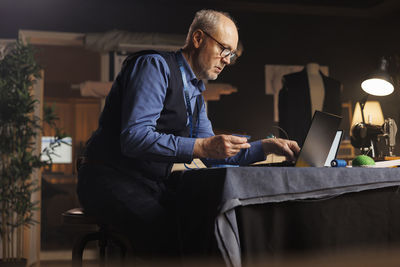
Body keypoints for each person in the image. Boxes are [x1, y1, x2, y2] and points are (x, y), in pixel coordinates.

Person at [77, 9, 300, 259]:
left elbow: (215, 156)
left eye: (232, 54)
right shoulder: (154, 66)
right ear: (197, 39)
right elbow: (135, 138)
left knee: (206, 220)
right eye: (224, 49)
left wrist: (267, 147)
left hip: (146, 182)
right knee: (166, 232)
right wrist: (203, 146)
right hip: (106, 177)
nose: (227, 60)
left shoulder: (194, 96)